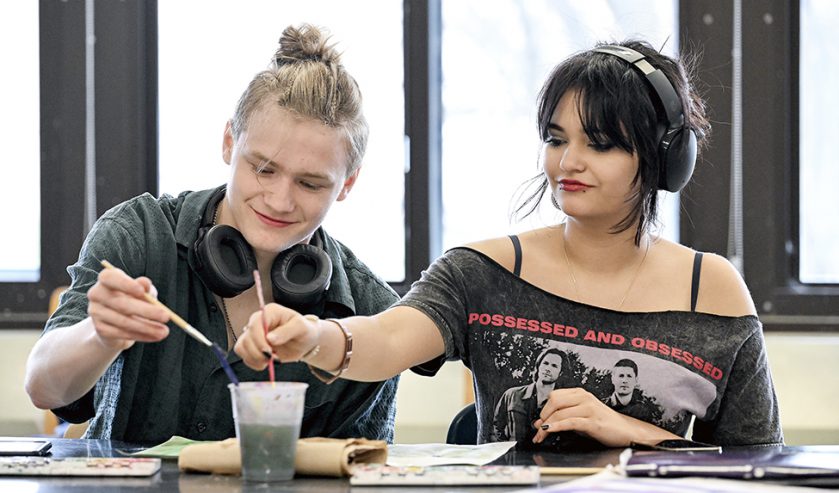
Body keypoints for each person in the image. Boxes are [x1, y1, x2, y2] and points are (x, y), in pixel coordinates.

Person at [234, 39, 784, 449]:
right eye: (556, 139)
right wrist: (313, 337)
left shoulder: (710, 292)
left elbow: (759, 466)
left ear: (663, 159)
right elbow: (387, 338)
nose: (568, 162)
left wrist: (635, 433)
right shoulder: (484, 271)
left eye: (600, 143)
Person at [24, 24, 400, 444]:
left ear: (347, 184)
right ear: (228, 143)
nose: (279, 200)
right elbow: (44, 388)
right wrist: (100, 334)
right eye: (263, 168)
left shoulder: (372, 315)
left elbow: (361, 471)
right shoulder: (139, 235)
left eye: (310, 184)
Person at [492, 348, 566, 443]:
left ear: (561, 372)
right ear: (539, 366)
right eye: (545, 363)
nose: (548, 368)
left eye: (554, 366)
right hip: (514, 455)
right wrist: (507, 449)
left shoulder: (563, 403)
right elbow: (496, 427)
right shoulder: (512, 395)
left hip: (547, 457)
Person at [602, 358, 660, 424]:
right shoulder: (601, 405)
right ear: (613, 379)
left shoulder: (644, 411)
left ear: (636, 380)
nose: (624, 380)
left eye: (629, 376)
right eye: (621, 376)